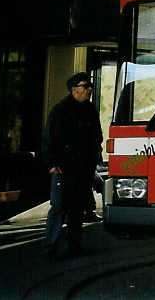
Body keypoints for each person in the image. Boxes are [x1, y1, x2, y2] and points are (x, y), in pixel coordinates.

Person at [43, 72, 102, 258]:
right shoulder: (60, 111)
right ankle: (51, 246)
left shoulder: (90, 109)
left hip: (83, 168)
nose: (89, 90)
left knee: (77, 207)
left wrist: (94, 159)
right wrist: (52, 163)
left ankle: (74, 246)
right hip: (63, 167)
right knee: (59, 206)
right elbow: (48, 139)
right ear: (74, 90)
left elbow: (96, 136)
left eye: (90, 86)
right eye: (86, 86)